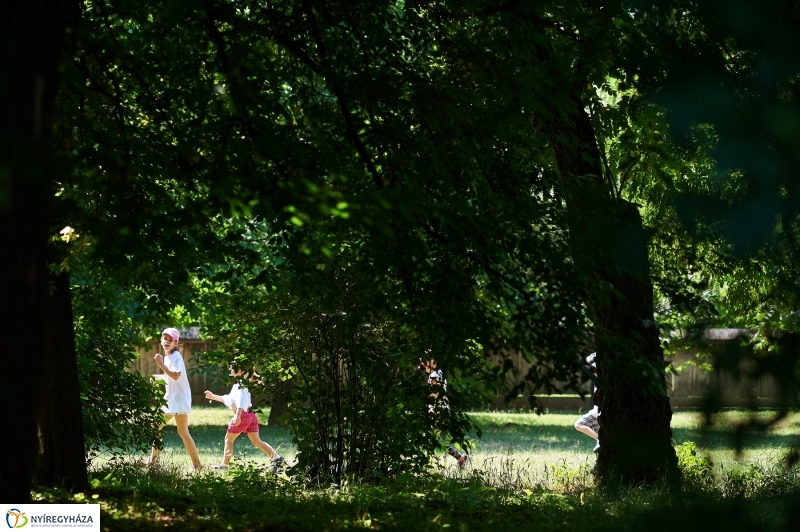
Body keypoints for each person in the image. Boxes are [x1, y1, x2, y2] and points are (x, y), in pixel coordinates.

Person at [204, 366, 286, 474]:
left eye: (232, 367)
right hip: (251, 415)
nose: (230, 368)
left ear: (240, 371)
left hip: (242, 416)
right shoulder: (239, 384)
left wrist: (237, 416)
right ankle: (277, 457)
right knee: (257, 441)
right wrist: (214, 396)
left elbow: (241, 402)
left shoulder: (240, 385)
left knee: (228, 440)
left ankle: (224, 465)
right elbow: (229, 399)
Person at [146, 327, 203, 471]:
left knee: (179, 431)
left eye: (171, 340)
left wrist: (160, 365)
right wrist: (158, 378)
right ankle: (154, 461)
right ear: (161, 340)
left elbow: (176, 375)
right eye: (165, 339)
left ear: (176, 343)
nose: (167, 341)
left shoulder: (175, 356)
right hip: (173, 398)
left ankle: (197, 465)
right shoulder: (168, 357)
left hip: (178, 399)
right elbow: (170, 376)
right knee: (172, 429)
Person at [419, 355, 469, 469]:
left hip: (436, 410)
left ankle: (424, 464)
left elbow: (433, 394)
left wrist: (429, 410)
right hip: (441, 410)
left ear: (431, 362)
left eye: (424, 363)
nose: (423, 367)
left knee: (429, 437)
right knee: (436, 439)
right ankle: (460, 458)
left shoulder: (434, 375)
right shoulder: (440, 373)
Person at [574, 352, 602, 452]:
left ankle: (601, 441)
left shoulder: (601, 381)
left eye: (593, 369)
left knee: (579, 424)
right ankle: (601, 441)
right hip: (599, 410)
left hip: (600, 411)